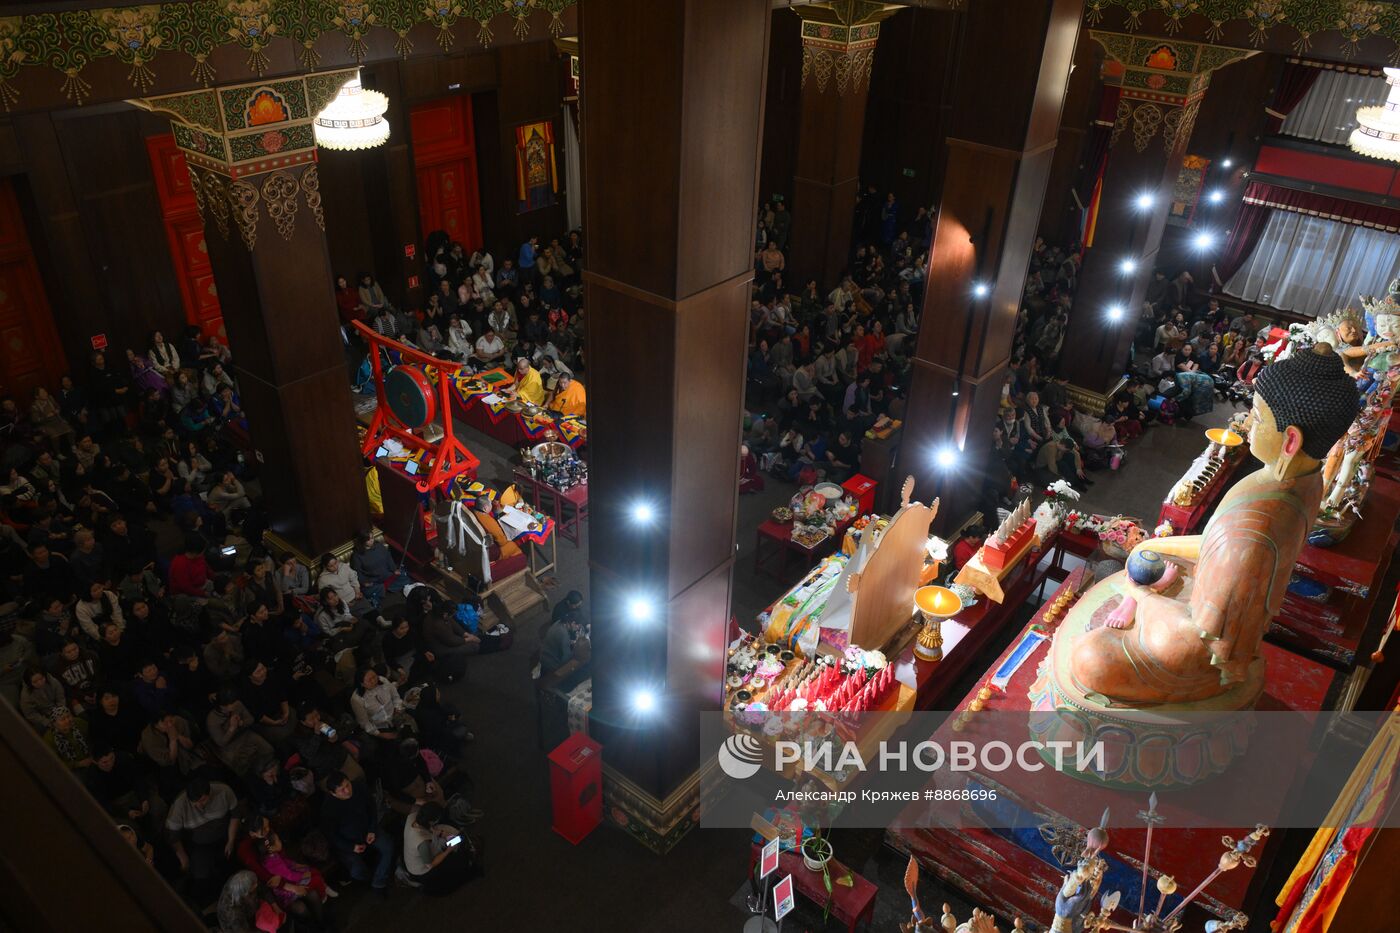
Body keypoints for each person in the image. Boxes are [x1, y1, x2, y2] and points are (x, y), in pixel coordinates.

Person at [320, 771, 395, 892]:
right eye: (341, 790)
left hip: (367, 830)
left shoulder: (359, 787)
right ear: (333, 793)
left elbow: (371, 807)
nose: (347, 791)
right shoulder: (328, 810)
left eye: (347, 785)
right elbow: (332, 835)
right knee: (357, 871)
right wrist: (351, 847)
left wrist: (371, 829)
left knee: (388, 846)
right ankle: (371, 878)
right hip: (348, 842)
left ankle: (379, 880)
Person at [404, 802, 477, 895]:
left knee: (454, 838)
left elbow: (427, 829)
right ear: (430, 821)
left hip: (422, 851)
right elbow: (430, 864)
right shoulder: (422, 843)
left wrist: (441, 833)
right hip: (421, 871)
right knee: (458, 862)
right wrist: (448, 851)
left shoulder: (413, 817)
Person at [206, 688, 274, 777]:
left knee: (268, 750)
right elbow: (221, 743)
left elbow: (250, 719)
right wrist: (232, 728)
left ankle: (265, 771)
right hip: (229, 747)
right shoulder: (212, 719)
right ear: (223, 706)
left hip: (244, 734)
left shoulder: (237, 704)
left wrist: (241, 723)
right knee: (242, 768)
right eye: (232, 703)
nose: (235, 704)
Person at [350, 530, 401, 606]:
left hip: (387, 574)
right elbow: (357, 572)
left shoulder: (379, 546)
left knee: (403, 574)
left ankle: (384, 589)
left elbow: (388, 558)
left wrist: (394, 569)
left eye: (372, 538)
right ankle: (385, 589)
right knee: (367, 591)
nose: (372, 540)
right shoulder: (357, 556)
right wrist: (364, 582)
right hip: (374, 580)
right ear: (362, 541)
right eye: (368, 539)